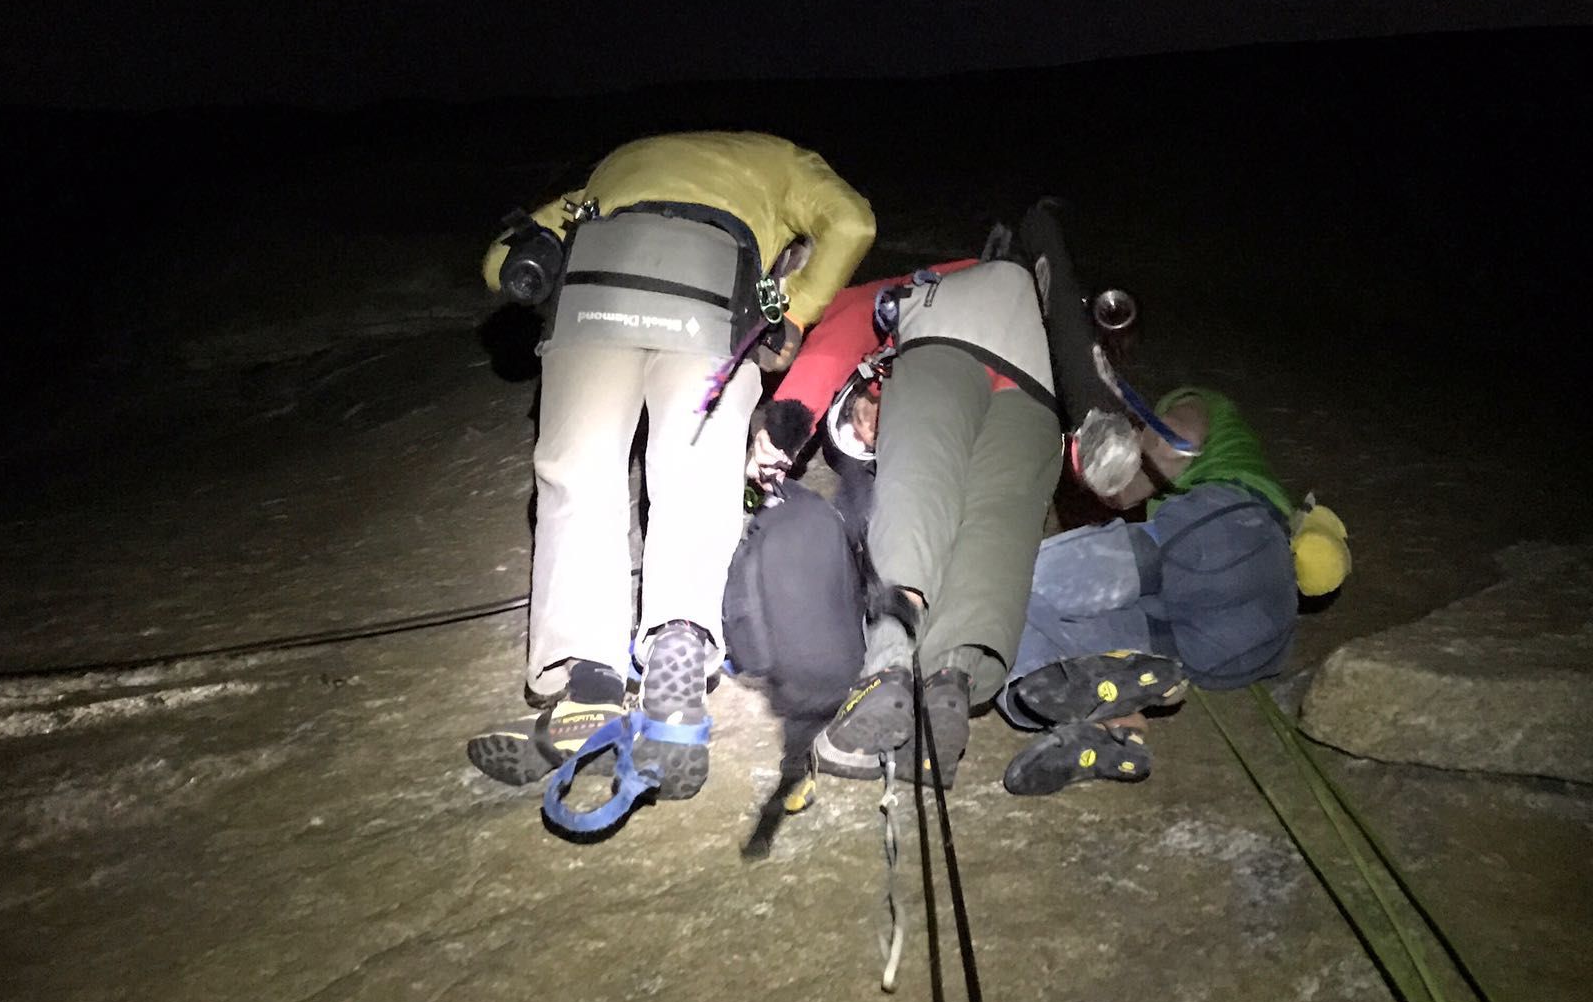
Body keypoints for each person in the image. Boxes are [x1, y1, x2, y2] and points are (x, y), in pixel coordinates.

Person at [466, 131, 875, 801]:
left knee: (579, 480)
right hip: (711, 300)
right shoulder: (782, 159)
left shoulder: (618, 159)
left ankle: (586, 682)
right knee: (694, 479)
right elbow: (854, 221)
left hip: (595, 291)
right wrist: (794, 311)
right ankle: (679, 645)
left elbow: (500, 266)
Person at [743, 198, 1142, 789]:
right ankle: (949, 685)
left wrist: (789, 416)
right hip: (1038, 392)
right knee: (997, 533)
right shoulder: (1043, 299)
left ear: (865, 385)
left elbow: (844, 324)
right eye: (865, 444)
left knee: (916, 491)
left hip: (949, 346)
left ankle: (885, 669)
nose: (871, 432)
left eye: (857, 420)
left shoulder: (934, 287)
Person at [996, 386, 1351, 794]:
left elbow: (1176, 441)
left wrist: (1116, 463)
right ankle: (1114, 728)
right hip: (1246, 645)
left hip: (1223, 541)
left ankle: (1079, 697)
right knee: (1016, 642)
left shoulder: (1203, 399)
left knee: (1014, 579)